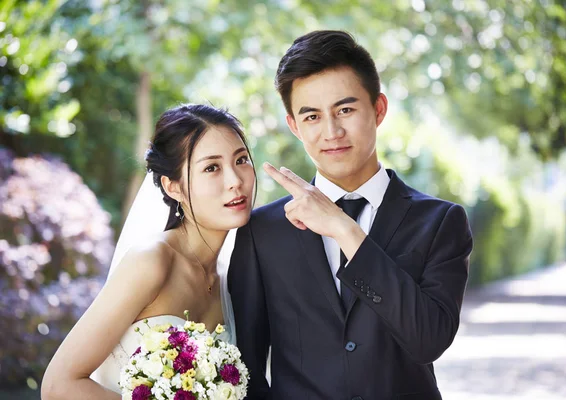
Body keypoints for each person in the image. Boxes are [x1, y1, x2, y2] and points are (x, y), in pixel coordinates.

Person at [228, 30, 473, 400]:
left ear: (378, 109)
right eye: (311, 116)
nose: (332, 131)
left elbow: (429, 340)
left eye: (345, 109)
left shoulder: (440, 222)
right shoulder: (263, 231)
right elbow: (246, 366)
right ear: (294, 125)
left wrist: (344, 229)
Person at [41, 104, 256, 399]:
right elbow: (58, 385)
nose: (235, 181)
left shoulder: (229, 275)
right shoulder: (152, 260)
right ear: (173, 187)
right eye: (211, 168)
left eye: (241, 159)